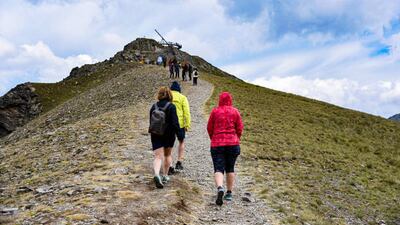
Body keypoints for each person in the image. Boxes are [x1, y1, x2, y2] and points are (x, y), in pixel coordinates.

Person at [207, 92, 243, 206]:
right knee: (230, 168)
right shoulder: (235, 111)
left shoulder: (215, 111)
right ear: (230, 100)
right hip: (233, 144)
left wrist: (213, 138)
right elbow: (240, 128)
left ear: (220, 100)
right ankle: (229, 193)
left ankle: (220, 188)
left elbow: (209, 127)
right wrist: (236, 138)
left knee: (218, 168)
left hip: (217, 144)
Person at [149, 87, 180, 188]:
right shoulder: (172, 106)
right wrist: (179, 134)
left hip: (155, 133)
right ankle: (165, 176)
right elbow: (175, 123)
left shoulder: (154, 106)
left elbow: (151, 121)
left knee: (158, 156)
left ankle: (157, 174)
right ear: (169, 95)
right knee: (167, 155)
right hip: (168, 134)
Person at [170, 81, 191, 172]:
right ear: (179, 89)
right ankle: (179, 162)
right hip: (180, 123)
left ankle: (170, 166)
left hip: (169, 123)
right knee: (181, 142)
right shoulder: (183, 98)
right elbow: (186, 112)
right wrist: (187, 124)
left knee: (169, 144)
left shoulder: (168, 97)